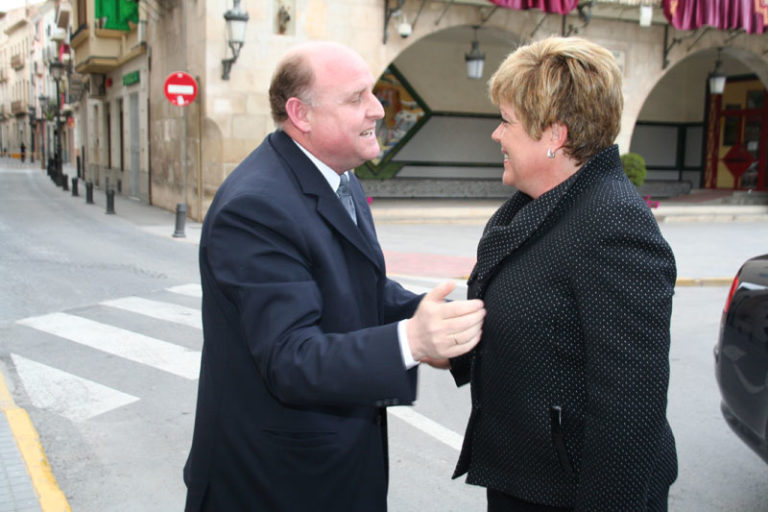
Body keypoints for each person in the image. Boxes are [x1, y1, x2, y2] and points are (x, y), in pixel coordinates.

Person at [183, 41, 485, 512]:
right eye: (356, 98)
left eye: (374, 93)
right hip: (274, 485)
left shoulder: (337, 176)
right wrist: (412, 342)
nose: (378, 109)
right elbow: (290, 357)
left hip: (330, 472)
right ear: (301, 114)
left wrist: (440, 322)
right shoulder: (255, 206)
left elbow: (358, 287)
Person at [449, 37, 678, 511]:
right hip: (525, 478)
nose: (496, 134)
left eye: (507, 121)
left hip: (571, 494)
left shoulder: (614, 224)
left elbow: (629, 413)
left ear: (554, 135)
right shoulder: (529, 207)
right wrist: (437, 341)